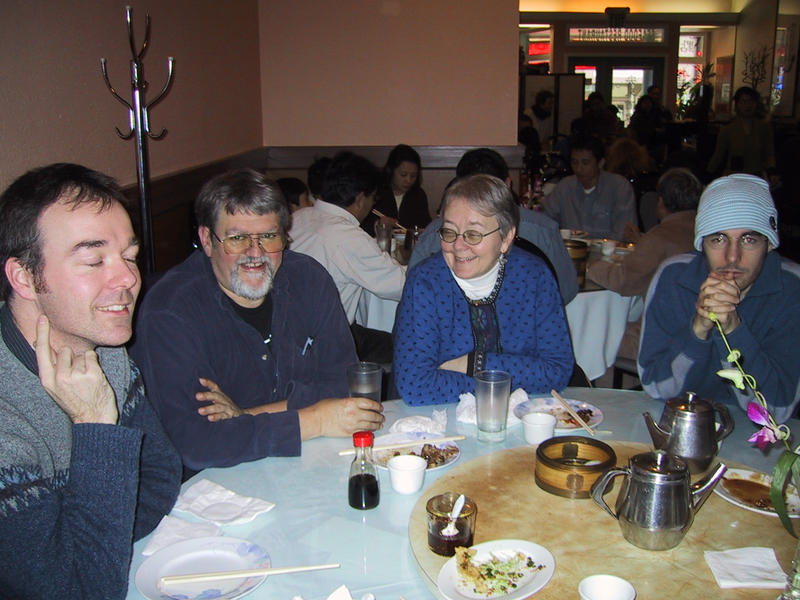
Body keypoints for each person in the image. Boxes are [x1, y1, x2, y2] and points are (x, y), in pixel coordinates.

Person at [0, 163, 181, 598]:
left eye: (129, 257)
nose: (129, 279)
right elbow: (81, 591)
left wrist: (92, 543)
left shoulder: (101, 347)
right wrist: (96, 423)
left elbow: (160, 475)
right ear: (24, 277)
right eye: (94, 261)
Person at [130, 168, 384, 476]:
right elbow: (194, 444)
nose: (255, 253)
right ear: (207, 240)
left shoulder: (309, 279)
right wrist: (315, 418)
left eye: (269, 236)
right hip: (215, 482)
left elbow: (346, 386)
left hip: (310, 461)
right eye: (237, 238)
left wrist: (245, 416)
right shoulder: (169, 311)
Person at [394, 174, 574, 406]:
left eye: (473, 234)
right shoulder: (425, 283)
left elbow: (557, 371)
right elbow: (415, 386)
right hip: (443, 418)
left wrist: (473, 364)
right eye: (449, 232)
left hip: (524, 415)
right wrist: (516, 375)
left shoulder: (535, 276)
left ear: (506, 238)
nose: (458, 246)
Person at [638, 174, 800, 423]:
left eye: (749, 239)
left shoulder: (792, 288)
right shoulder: (674, 278)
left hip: (758, 438)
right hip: (681, 425)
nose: (732, 256)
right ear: (701, 244)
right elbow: (657, 388)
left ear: (769, 244)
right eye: (718, 239)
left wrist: (734, 331)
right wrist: (698, 330)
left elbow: (775, 412)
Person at [409, 148, 578, 304]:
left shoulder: (434, 233)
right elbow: (565, 291)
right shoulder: (543, 229)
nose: (459, 245)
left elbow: (412, 290)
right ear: (508, 184)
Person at [289, 151, 406, 364]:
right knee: (410, 346)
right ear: (360, 199)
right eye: (373, 198)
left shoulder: (296, 218)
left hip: (288, 333)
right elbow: (400, 285)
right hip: (324, 344)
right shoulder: (348, 236)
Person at [586, 168, 702, 360]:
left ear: (661, 201)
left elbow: (624, 281)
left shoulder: (660, 237)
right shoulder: (706, 234)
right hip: (697, 330)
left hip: (662, 338)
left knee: (589, 333)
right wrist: (643, 239)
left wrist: (591, 266)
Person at [541, 135, 637, 241]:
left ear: (600, 163)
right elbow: (545, 220)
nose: (579, 168)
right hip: (571, 248)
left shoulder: (619, 187)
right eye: (574, 162)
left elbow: (623, 233)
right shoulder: (565, 187)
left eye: (585, 163)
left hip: (608, 249)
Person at [707, 86, 776, 179]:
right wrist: (707, 174)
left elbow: (769, 154)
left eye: (751, 101)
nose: (748, 105)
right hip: (733, 176)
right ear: (737, 104)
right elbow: (718, 156)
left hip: (757, 176)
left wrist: (772, 172)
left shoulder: (764, 128)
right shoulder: (728, 129)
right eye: (743, 101)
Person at [361, 144, 431, 234]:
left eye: (413, 176)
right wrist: (378, 224)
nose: (408, 180)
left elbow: (425, 225)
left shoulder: (418, 195)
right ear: (390, 170)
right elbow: (362, 225)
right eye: (403, 175)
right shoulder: (376, 193)